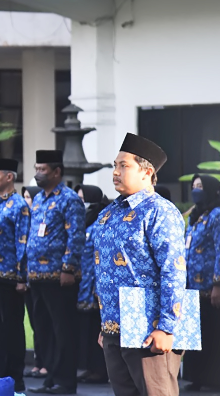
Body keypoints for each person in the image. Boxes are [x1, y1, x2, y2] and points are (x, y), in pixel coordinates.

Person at [93, 133, 186, 396]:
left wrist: (166, 327)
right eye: (115, 165)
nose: (115, 172)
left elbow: (173, 270)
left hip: (149, 328)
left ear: (147, 172)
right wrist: (106, 326)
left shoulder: (159, 211)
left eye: (124, 166)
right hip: (115, 328)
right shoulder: (109, 212)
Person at [27, 150, 85, 395]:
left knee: (62, 329)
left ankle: (65, 381)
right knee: (43, 329)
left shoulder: (69, 199)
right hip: (37, 275)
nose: (38, 174)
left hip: (58, 276)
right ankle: (50, 376)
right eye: (36, 168)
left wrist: (68, 268)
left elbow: (76, 235)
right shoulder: (39, 198)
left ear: (56, 172)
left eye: (43, 170)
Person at [0, 159, 30, 392]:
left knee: (11, 327)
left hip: (10, 276)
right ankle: (1, 374)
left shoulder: (19, 205)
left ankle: (15, 377)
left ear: (9, 177)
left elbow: (22, 242)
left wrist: (22, 277)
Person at [182, 174, 220, 391]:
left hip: (208, 286)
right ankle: (197, 377)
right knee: (195, 334)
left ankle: (213, 379)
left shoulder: (217, 215)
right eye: (193, 186)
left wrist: (218, 284)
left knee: (212, 333)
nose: (196, 190)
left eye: (200, 187)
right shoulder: (196, 216)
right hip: (192, 286)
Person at [74, 184, 110, 385]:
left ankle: (100, 369)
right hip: (84, 284)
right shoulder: (85, 223)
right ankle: (89, 367)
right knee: (86, 329)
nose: (80, 203)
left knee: (97, 326)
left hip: (96, 285)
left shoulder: (100, 223)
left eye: (83, 198)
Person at [19, 185, 49, 380]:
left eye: (29, 197)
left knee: (44, 324)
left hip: (44, 276)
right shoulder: (26, 219)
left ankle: (47, 363)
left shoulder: (40, 218)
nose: (26, 201)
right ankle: (39, 362)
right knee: (35, 323)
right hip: (28, 277)